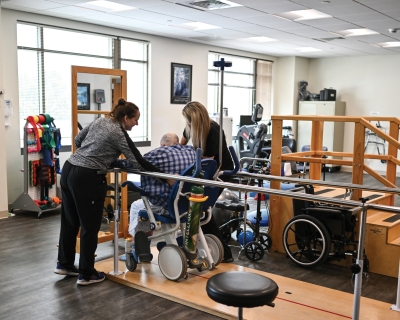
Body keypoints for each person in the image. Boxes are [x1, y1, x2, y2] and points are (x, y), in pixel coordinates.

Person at [55, 98, 173, 286]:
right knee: (90, 226)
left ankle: (65, 264)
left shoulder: (101, 120)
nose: (137, 123)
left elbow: (78, 140)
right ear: (125, 118)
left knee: (70, 221)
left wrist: (98, 153)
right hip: (87, 176)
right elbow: (137, 161)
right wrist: (164, 177)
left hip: (69, 169)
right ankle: (86, 274)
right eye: (135, 120)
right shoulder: (118, 133)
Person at [180, 101, 235, 263]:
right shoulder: (190, 127)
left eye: (189, 121)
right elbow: (180, 145)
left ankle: (224, 252)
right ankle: (218, 250)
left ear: (196, 120)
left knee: (202, 211)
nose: (188, 124)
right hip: (205, 172)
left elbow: (208, 162)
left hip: (220, 172)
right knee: (201, 212)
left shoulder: (214, 130)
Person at [129, 132, 196, 238]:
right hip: (189, 204)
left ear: (163, 145)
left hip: (169, 206)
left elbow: (135, 163)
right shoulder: (191, 151)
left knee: (136, 206)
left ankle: (141, 246)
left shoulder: (160, 153)